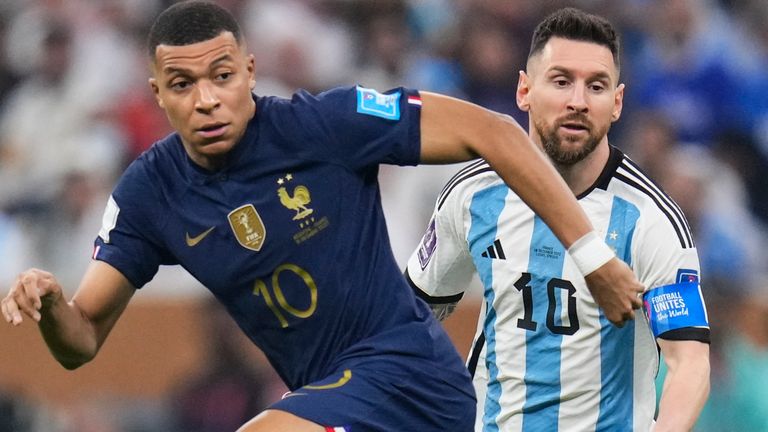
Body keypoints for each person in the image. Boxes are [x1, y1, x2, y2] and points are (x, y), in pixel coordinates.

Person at [1, 2, 644, 431]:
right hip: (333, 401)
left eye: (222, 75)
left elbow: (495, 133)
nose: (207, 100)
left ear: (249, 71)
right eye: (183, 84)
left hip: (409, 377)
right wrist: (53, 301)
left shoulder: (323, 126)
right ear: (156, 94)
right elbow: (80, 343)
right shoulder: (150, 193)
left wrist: (593, 258)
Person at [405, 8, 710, 431]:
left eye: (596, 86)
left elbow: (689, 362)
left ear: (617, 103)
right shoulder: (473, 195)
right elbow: (415, 314)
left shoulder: (650, 220)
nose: (578, 102)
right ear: (525, 90)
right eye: (561, 80)